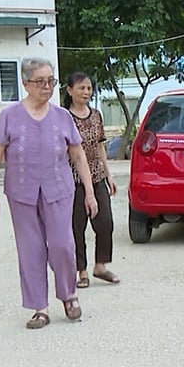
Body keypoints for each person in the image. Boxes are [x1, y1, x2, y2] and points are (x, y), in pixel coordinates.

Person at [0, 57, 97, 329]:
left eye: (51, 81)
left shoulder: (62, 117)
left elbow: (78, 156)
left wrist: (90, 192)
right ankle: (40, 308)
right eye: (40, 82)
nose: (47, 87)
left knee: (62, 245)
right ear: (25, 83)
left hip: (58, 190)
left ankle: (68, 295)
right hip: (21, 193)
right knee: (30, 250)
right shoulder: (9, 116)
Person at [63, 72, 119, 288]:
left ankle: (100, 266)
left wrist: (108, 175)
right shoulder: (64, 117)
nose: (86, 92)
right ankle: (82, 271)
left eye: (88, 88)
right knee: (76, 227)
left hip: (97, 176)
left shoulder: (96, 115)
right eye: (81, 88)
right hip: (73, 180)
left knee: (105, 223)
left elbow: (100, 146)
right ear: (70, 90)